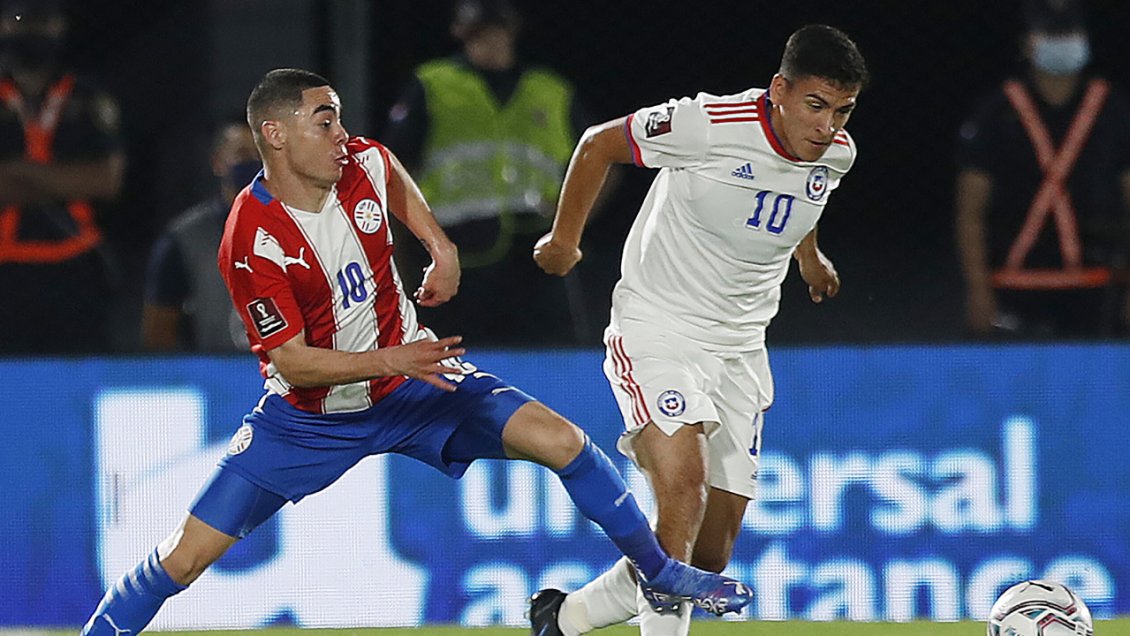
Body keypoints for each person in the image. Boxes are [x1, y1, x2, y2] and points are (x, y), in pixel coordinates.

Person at [78, 68, 752, 635]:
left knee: (565, 442)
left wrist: (439, 244)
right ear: (276, 135)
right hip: (312, 419)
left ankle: (660, 574)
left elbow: (390, 169)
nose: (341, 135)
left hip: (417, 385)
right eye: (324, 121)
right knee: (185, 557)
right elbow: (292, 361)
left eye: (339, 118)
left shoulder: (360, 163)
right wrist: (388, 360)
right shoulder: (252, 240)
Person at [530, 25, 867, 635]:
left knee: (707, 556)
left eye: (841, 111)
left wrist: (809, 257)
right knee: (682, 490)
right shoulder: (708, 124)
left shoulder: (837, 153)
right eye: (816, 106)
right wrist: (564, 240)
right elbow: (598, 144)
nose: (827, 126)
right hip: (659, 327)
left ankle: (564, 618)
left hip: (741, 348)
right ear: (779, 90)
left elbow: (800, 197)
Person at [382, 0, 591, 346]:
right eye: (478, 32)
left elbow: (598, 161)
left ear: (513, 29)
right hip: (459, 251)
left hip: (537, 252)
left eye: (497, 29)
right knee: (455, 353)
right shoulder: (433, 83)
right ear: (459, 32)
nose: (490, 39)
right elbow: (395, 168)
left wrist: (571, 225)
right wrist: (403, 249)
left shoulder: (551, 91)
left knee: (552, 354)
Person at [955, 0, 1130, 339]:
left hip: (1098, 283)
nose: (1061, 42)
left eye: (1068, 33)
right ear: (1027, 43)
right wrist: (977, 288)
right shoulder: (996, 113)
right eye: (1050, 33)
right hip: (1014, 283)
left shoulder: (1114, 110)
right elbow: (970, 210)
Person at [0, 0, 124, 353]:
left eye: (42, 21)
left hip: (74, 264)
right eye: (20, 20)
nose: (31, 31)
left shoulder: (87, 97)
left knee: (79, 372)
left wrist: (18, 171)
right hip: (6, 267)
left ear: (59, 26)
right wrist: (64, 181)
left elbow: (105, 181)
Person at [141, 120, 260, 352]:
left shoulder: (303, 227)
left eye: (262, 154)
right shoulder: (185, 239)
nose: (255, 163)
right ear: (217, 163)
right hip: (215, 370)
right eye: (243, 154)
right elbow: (158, 334)